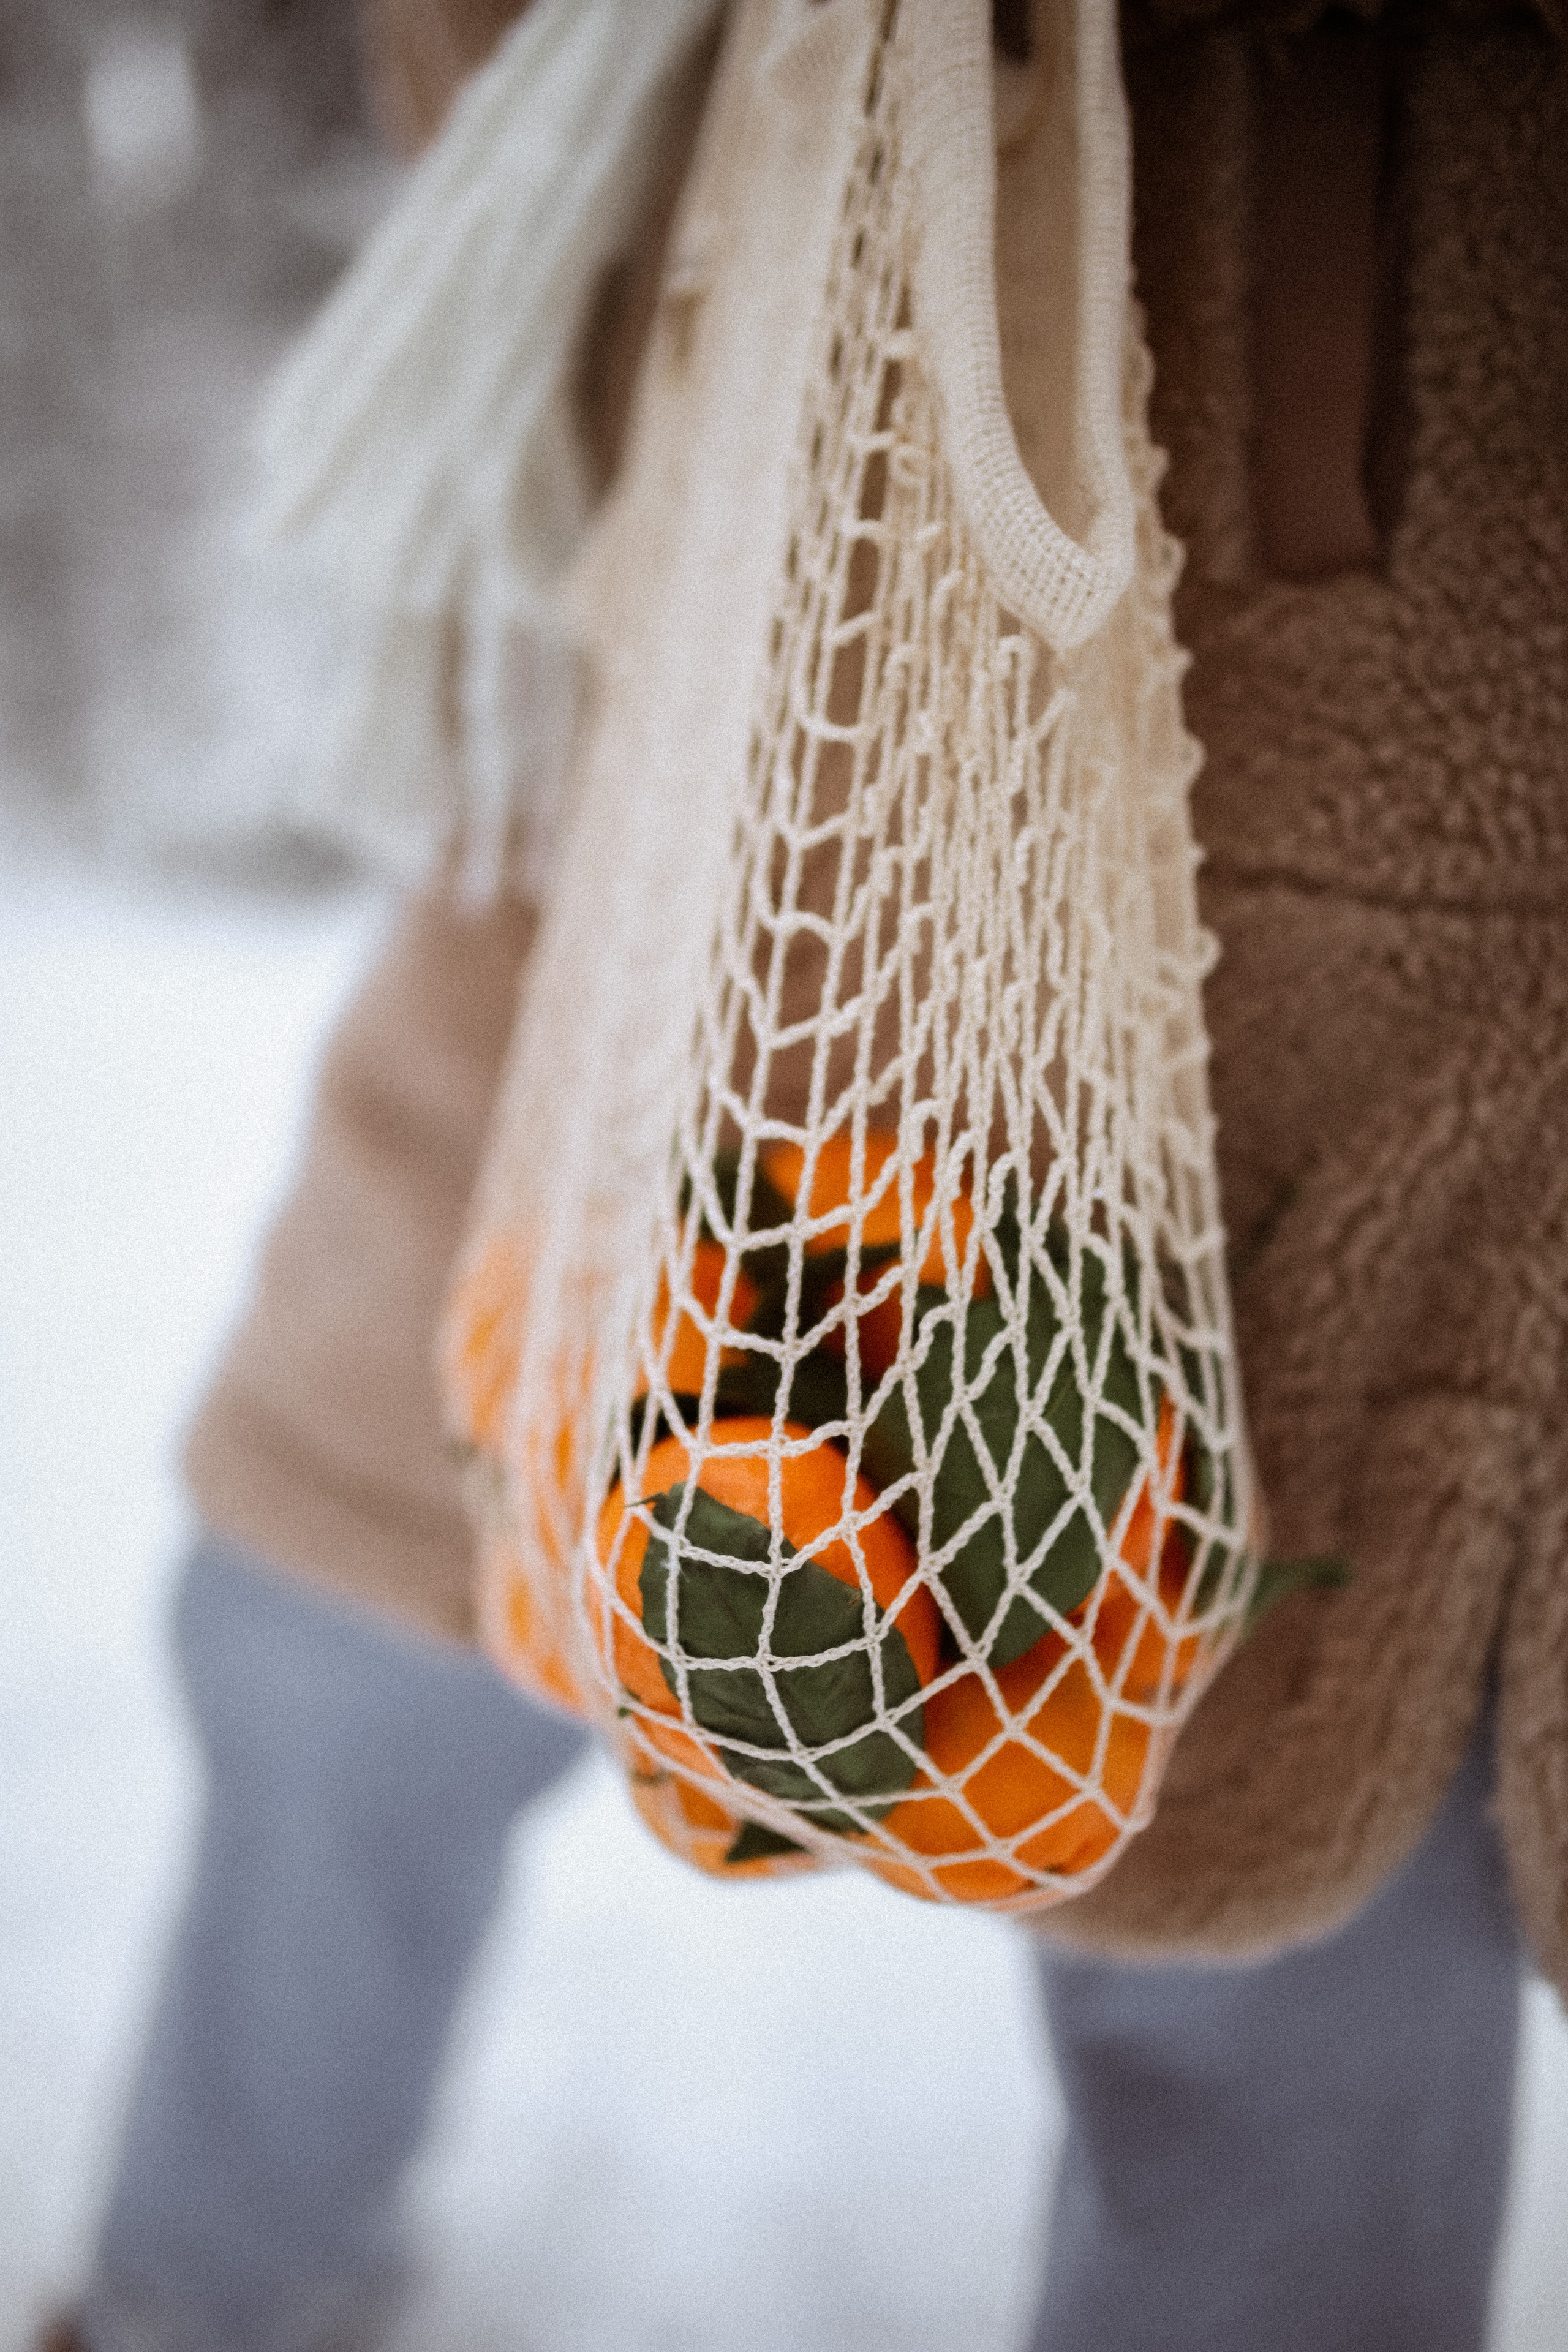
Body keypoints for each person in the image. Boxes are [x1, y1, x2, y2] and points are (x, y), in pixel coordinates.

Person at [54, 3, 1567, 2350]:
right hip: (701, 759)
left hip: (1358, 887)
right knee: (333, 1637)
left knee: (1270, 1899)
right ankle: (196, 2294)